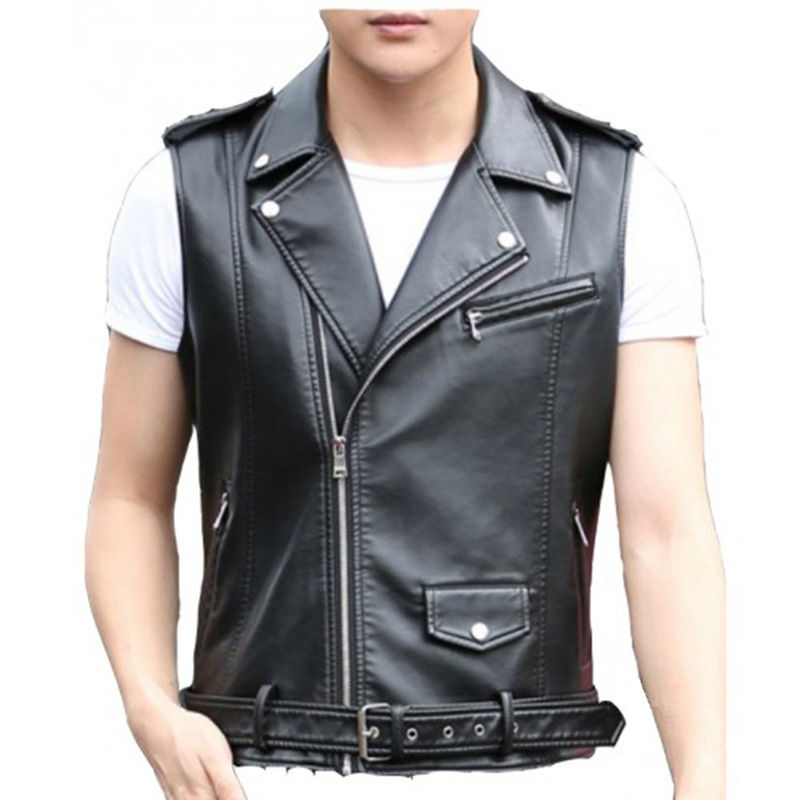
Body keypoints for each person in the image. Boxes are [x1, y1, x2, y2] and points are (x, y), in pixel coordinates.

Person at [86, 7, 725, 800]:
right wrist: (150, 707)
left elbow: (666, 530)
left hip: (536, 769)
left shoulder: (617, 201)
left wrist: (703, 778)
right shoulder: (188, 193)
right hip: (257, 767)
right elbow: (129, 495)